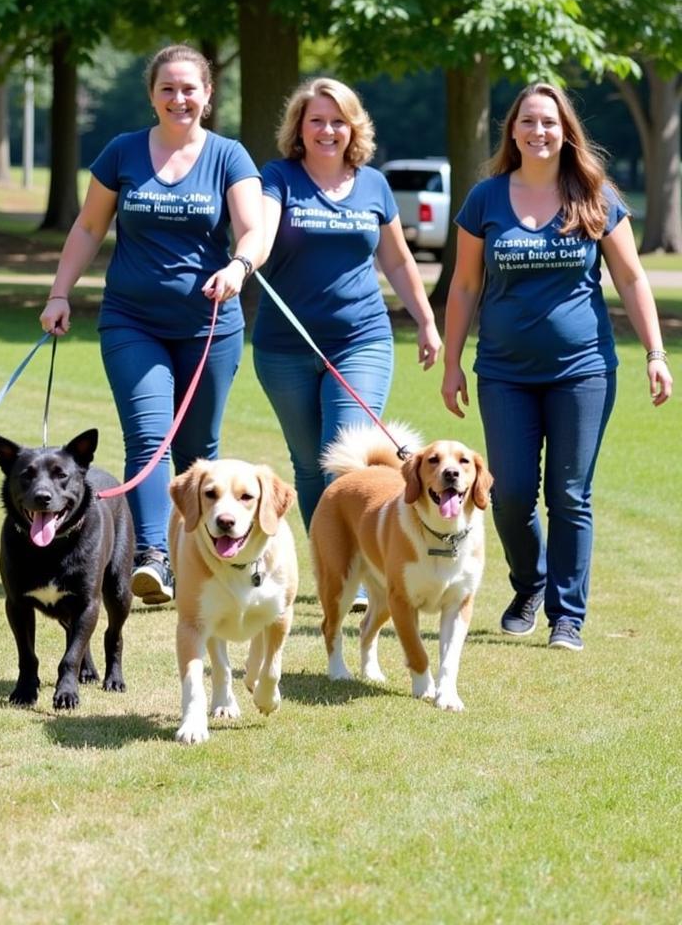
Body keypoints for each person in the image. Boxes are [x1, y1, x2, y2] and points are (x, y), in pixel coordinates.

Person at [442, 82, 672, 652]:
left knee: (570, 493)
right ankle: (530, 584)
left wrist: (656, 354)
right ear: (513, 131)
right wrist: (452, 363)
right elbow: (465, 283)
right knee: (511, 492)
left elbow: (632, 278)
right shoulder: (486, 199)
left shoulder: (594, 195)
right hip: (503, 372)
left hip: (584, 370)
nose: (538, 132)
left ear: (565, 130)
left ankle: (567, 615)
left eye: (549, 122)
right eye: (528, 122)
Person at [40, 43, 263, 605]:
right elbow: (89, 227)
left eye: (190, 88)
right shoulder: (123, 153)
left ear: (208, 96)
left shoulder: (229, 157)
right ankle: (153, 559)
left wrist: (240, 265)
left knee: (198, 447)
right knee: (150, 436)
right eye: (168, 88)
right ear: (152, 96)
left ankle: (199, 549)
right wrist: (60, 293)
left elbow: (254, 229)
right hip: (131, 321)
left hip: (210, 324)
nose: (179, 98)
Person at [253, 77, 442, 549]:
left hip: (362, 340)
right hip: (283, 348)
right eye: (316, 120)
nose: (327, 130)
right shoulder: (278, 177)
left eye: (338, 121)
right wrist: (243, 260)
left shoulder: (374, 184)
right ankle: (332, 562)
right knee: (307, 463)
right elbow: (261, 229)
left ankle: (357, 569)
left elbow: (397, 259)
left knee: (342, 456)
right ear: (299, 127)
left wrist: (426, 320)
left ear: (353, 127)